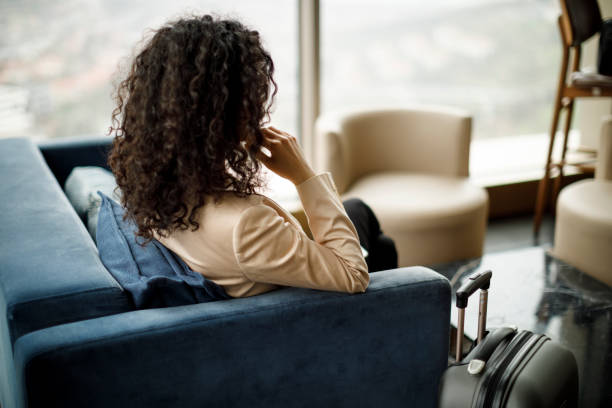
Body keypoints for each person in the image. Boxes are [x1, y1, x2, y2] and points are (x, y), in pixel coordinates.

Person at [108, 15, 396, 298]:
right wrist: (303, 175)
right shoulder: (247, 226)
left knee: (368, 225)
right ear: (226, 112)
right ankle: (395, 309)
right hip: (313, 305)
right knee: (372, 231)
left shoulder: (151, 180)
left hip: (255, 263)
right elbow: (352, 275)